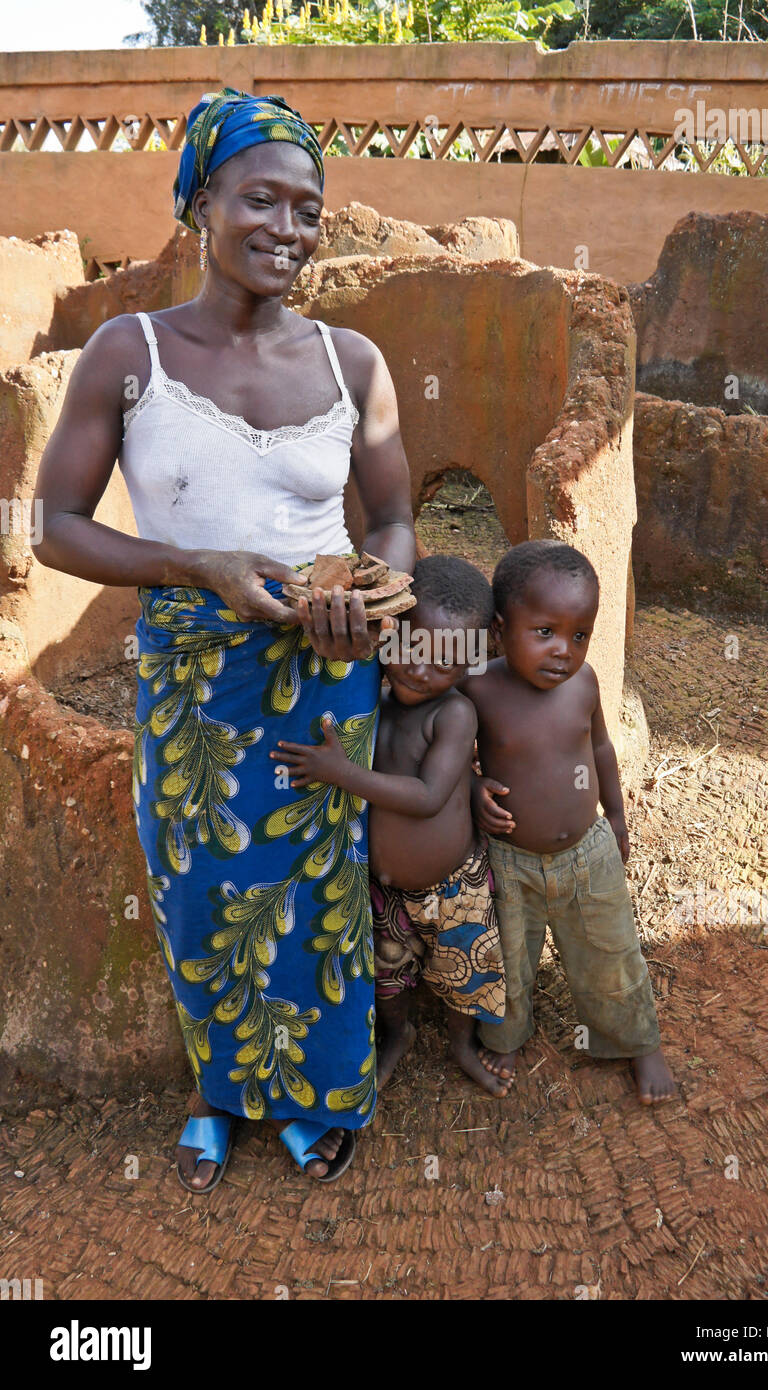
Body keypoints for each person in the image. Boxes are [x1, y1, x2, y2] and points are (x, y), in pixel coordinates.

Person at [31, 86, 415, 1189]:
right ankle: (219, 1087)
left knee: (320, 882)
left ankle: (320, 1093)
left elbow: (388, 515)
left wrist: (366, 592)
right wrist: (191, 566)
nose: (287, 230)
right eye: (261, 199)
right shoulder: (129, 351)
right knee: (199, 885)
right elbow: (54, 525)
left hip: (324, 661)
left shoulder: (352, 364)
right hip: (197, 673)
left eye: (307, 210)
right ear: (201, 202)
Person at [270, 555, 510, 1096]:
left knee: (461, 977)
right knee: (386, 981)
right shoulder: (367, 696)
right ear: (389, 629)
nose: (422, 670)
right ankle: (395, 1039)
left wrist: (339, 773)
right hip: (383, 892)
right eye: (412, 647)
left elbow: (426, 798)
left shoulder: (453, 715)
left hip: (453, 890)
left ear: (470, 664)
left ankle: (461, 1044)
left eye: (445, 663)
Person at [461, 540, 676, 1104]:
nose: (564, 650)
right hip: (509, 859)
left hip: (589, 853)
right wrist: (473, 785)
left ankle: (636, 1040)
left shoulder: (584, 685)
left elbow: (601, 749)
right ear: (501, 629)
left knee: (611, 951)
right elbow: (451, 755)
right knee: (508, 960)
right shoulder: (479, 687)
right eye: (545, 632)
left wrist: (619, 816)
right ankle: (506, 1034)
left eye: (579, 635)